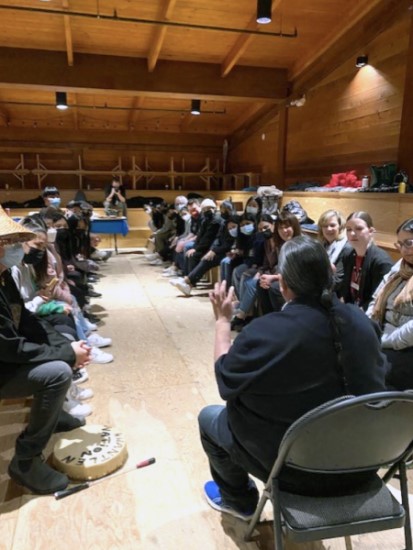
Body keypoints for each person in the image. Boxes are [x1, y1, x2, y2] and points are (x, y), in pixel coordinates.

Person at [199, 236, 388, 521]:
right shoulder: (362, 322)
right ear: (332, 274)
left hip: (295, 473)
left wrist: (223, 323)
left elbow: (225, 382)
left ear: (284, 284)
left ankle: (239, 501)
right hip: (363, 463)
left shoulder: (266, 331)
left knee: (209, 417)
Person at [0, 206, 91, 494]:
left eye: (7, 242)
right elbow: (10, 348)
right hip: (3, 363)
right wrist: (65, 355)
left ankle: (53, 416)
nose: (8, 248)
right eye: (3, 242)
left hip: (6, 357)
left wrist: (66, 346)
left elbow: (26, 321)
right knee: (57, 372)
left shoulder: (2, 277)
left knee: (59, 349)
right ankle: (25, 460)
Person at [366, 217, 413, 390]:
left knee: (379, 370)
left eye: (409, 242)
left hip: (405, 345)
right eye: (400, 244)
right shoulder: (400, 267)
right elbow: (375, 300)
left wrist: (384, 341)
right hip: (382, 336)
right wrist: (368, 327)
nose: (404, 250)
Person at [340, 211, 393, 310]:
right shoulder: (348, 254)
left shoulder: (382, 261)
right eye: (348, 229)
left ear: (371, 231)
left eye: (359, 229)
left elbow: (378, 299)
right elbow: (346, 287)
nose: (352, 233)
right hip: (351, 308)